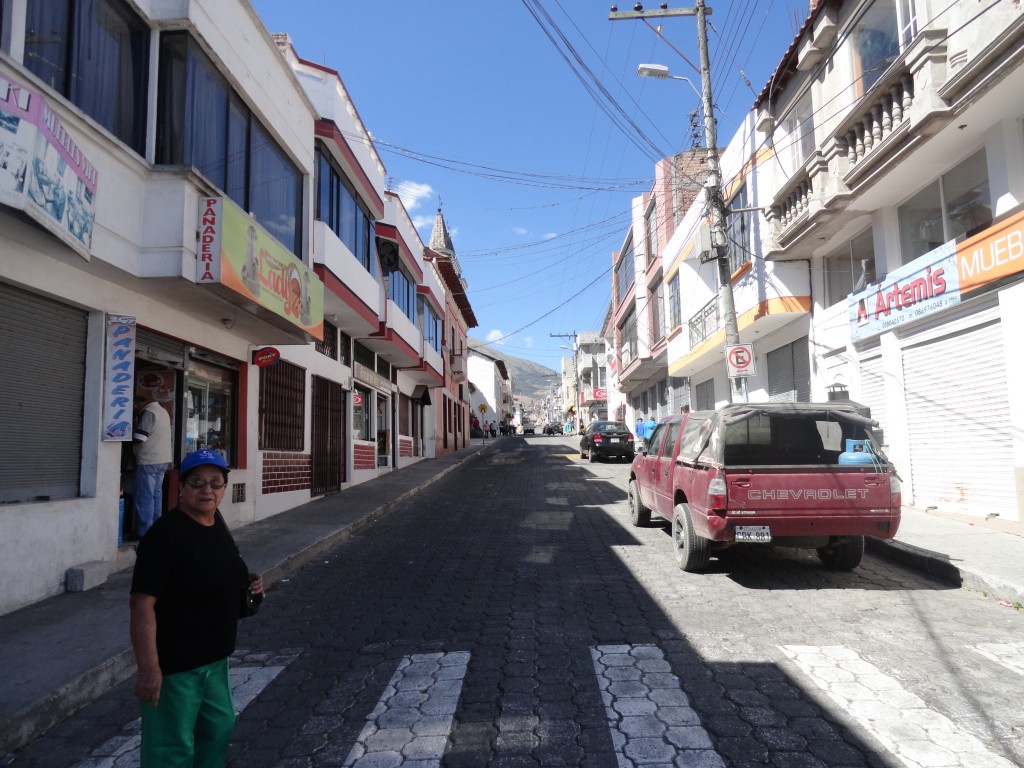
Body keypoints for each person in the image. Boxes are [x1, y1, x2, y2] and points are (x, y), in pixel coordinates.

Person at [130, 449, 264, 768]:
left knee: (217, 730)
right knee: (171, 748)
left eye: (215, 483)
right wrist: (149, 671)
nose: (207, 490)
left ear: (224, 488)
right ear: (180, 487)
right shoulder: (165, 537)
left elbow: (216, 571)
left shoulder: (214, 522)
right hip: (177, 668)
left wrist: (249, 582)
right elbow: (141, 604)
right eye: (197, 482)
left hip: (215, 660)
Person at [133, 395, 172, 537]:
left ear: (138, 403)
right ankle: (156, 529)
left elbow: (140, 438)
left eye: (134, 405)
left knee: (145, 496)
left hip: (149, 459)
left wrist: (126, 440)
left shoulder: (149, 412)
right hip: (162, 460)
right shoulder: (163, 411)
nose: (133, 409)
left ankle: (145, 532)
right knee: (156, 495)